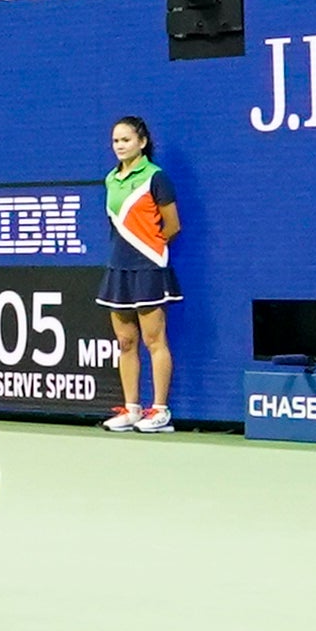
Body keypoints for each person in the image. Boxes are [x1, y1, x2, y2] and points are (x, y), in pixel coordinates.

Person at [97, 115, 183, 433]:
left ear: (142, 142)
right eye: (116, 141)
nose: (120, 146)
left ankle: (160, 411)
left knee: (153, 339)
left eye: (126, 140)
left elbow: (171, 225)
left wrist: (150, 252)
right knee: (125, 341)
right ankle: (132, 409)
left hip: (148, 267)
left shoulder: (156, 177)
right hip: (117, 268)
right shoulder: (110, 179)